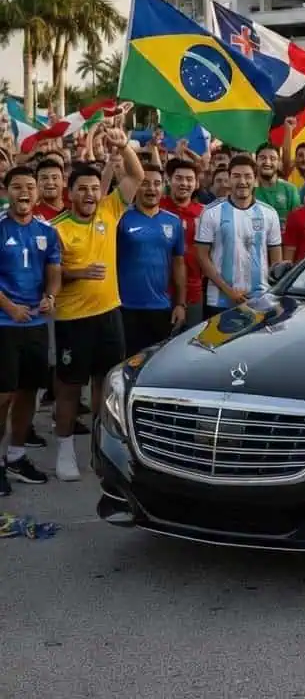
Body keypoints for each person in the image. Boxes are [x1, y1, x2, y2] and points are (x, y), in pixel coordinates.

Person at [51, 127, 143, 482]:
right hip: (73, 320)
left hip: (109, 315)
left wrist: (123, 146)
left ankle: (99, 449)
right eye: (82, 189)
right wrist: (77, 271)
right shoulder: (55, 228)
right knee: (70, 388)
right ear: (69, 193)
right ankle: (64, 451)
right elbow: (51, 275)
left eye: (93, 188)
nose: (89, 194)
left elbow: (135, 175)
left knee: (105, 387)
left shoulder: (109, 211)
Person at [0, 166, 61, 495]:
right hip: (4, 324)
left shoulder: (47, 230)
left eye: (30, 186)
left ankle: (17, 456)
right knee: (3, 396)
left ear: (37, 193)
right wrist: (9, 306)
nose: (24, 192)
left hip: (36, 324)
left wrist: (50, 296)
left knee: (28, 393)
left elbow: (54, 270)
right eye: (17, 186)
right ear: (7, 190)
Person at [194, 154, 282, 319]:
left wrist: (274, 294)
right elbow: (202, 256)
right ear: (229, 179)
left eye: (248, 176)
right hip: (219, 300)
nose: (242, 181)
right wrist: (228, 291)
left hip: (260, 299)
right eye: (236, 176)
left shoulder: (269, 214)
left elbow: (276, 260)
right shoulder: (210, 212)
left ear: (255, 180)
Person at [117, 164, 187, 356]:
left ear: (163, 187)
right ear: (136, 186)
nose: (152, 189)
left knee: (156, 365)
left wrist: (180, 304)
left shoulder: (173, 221)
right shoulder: (122, 219)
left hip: (161, 308)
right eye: (145, 183)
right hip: (126, 308)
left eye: (157, 184)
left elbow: (178, 264)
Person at [160, 157, 206, 328]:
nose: (184, 183)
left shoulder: (205, 213)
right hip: (160, 293)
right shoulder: (157, 208)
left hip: (193, 292)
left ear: (196, 184)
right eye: (178, 178)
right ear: (169, 181)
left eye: (189, 179)